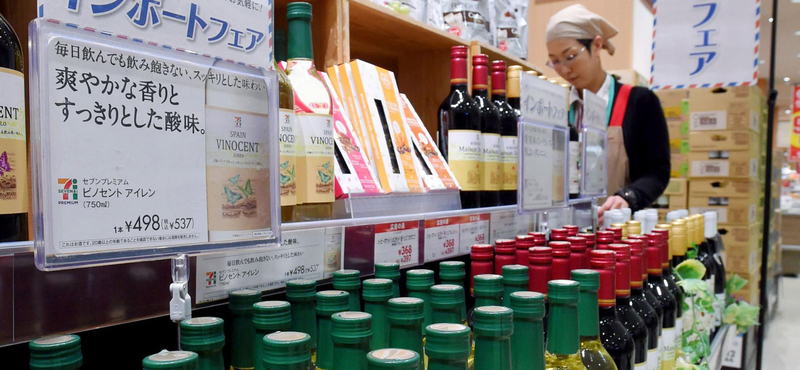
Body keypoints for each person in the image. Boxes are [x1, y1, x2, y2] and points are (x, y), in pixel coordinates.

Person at [545, 4, 670, 223]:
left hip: (622, 233)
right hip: (566, 235)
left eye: (571, 56)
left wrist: (629, 197)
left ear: (597, 45)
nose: (564, 70)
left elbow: (657, 172)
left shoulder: (640, 102)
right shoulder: (557, 108)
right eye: (555, 61)